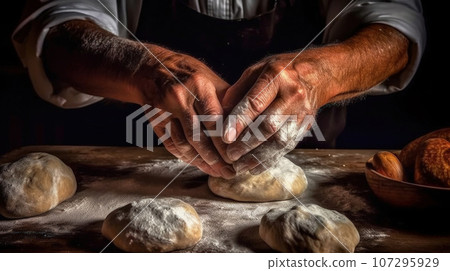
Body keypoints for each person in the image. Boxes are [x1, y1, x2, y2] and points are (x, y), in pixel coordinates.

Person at [12, 0, 425, 179]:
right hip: (131, 166)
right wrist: (153, 73)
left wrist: (317, 75)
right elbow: (55, 30)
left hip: (312, 163)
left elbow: (397, 31)